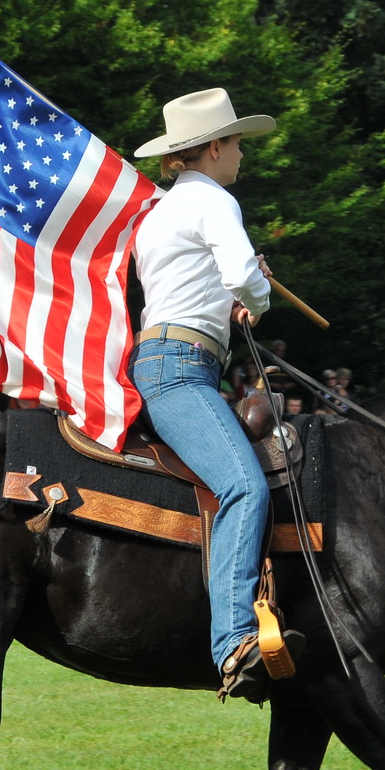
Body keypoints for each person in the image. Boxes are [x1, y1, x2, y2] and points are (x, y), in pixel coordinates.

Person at [130, 86, 292, 700]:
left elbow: (190, 292)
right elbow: (241, 275)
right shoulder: (214, 201)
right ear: (215, 147)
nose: (242, 156)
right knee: (245, 484)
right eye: (238, 144)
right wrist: (257, 296)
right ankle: (232, 644)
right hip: (181, 368)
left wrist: (231, 305)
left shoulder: (160, 212)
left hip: (173, 357)